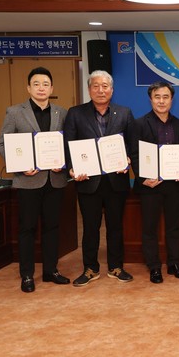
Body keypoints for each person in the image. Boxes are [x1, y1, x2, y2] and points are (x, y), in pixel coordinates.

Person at [0, 67, 70, 293]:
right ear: (28, 88)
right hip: (28, 181)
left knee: (52, 227)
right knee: (27, 228)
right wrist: (19, 165)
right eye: (36, 84)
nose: (41, 88)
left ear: (52, 88)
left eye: (45, 84)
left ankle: (51, 270)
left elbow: (69, 144)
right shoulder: (15, 112)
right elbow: (2, 144)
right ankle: (27, 275)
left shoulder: (62, 113)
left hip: (55, 180)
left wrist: (63, 162)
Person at [64, 70, 134, 287]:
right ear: (89, 89)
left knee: (115, 227)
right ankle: (90, 268)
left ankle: (116, 266)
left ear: (111, 90)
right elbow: (68, 145)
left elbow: (132, 144)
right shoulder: (76, 113)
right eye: (96, 86)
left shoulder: (124, 113)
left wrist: (128, 159)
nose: (100, 90)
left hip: (116, 181)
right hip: (88, 181)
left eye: (105, 86)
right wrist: (72, 168)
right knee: (90, 228)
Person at [130, 81, 179, 284]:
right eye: (157, 97)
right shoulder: (138, 124)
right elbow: (135, 154)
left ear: (172, 100)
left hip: (175, 184)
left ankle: (174, 263)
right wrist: (142, 177)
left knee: (174, 227)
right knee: (150, 228)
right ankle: (154, 266)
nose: (161, 101)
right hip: (150, 185)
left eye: (165, 97)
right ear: (150, 99)